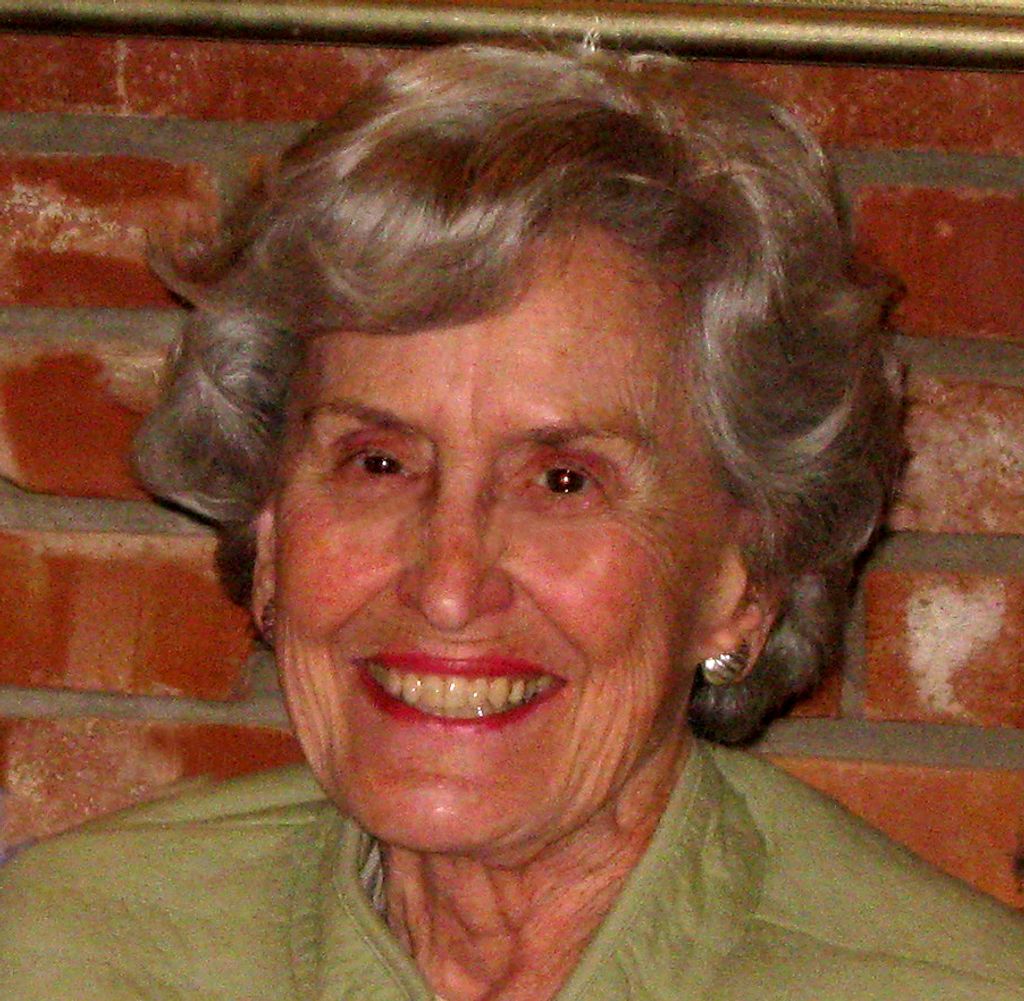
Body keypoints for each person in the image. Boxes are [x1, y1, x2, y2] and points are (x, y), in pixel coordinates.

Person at [1, 43, 1021, 1001]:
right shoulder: (67, 950)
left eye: (564, 482)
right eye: (379, 462)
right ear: (271, 535)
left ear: (741, 577)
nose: (449, 585)